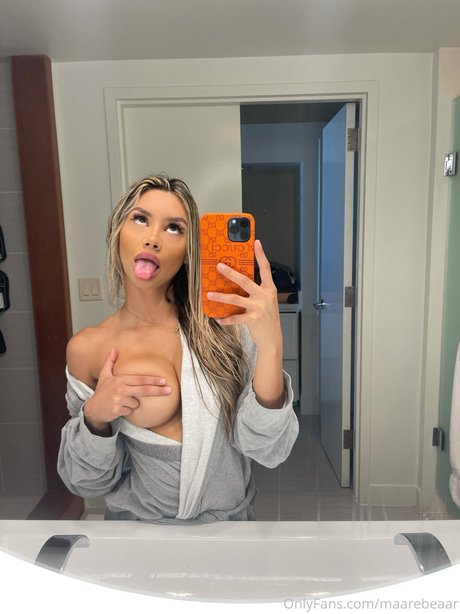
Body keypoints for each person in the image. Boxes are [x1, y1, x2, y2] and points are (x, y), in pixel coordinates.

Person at [58, 174, 299, 522]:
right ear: (117, 231)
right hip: (139, 535)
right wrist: (95, 417)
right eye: (140, 219)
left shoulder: (224, 328)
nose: (153, 239)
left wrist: (272, 343)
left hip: (227, 531)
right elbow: (86, 481)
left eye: (174, 228)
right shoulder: (88, 347)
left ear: (188, 251)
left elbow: (267, 449)